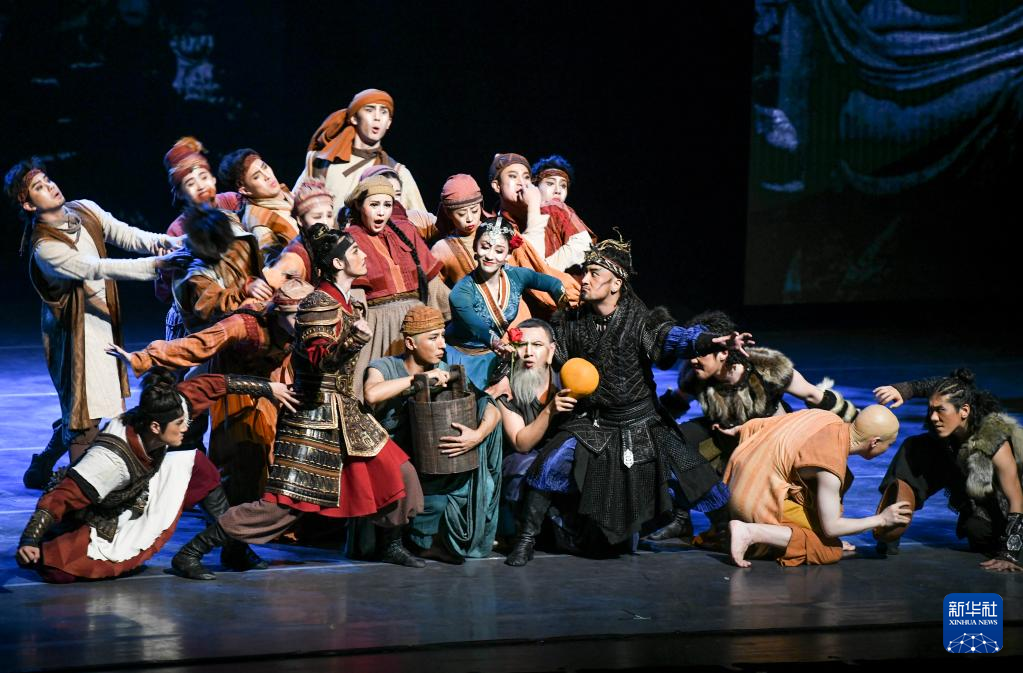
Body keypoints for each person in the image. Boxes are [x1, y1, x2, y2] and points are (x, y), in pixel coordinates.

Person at [169, 226, 427, 578]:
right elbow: (319, 359)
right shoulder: (318, 305)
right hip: (314, 418)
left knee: (400, 472)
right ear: (338, 263)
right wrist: (352, 341)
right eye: (355, 251)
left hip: (346, 415)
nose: (364, 255)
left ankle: (390, 544)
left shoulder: (345, 302)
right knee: (283, 507)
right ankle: (192, 552)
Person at [505, 238, 748, 566]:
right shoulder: (572, 323)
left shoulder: (640, 322)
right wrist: (514, 354)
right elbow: (549, 349)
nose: (584, 280)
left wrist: (706, 341)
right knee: (548, 465)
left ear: (616, 283)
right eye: (585, 272)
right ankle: (525, 539)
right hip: (593, 421)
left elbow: (671, 337)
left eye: (594, 273)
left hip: (642, 421)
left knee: (694, 475)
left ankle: (733, 535)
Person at [16, 369, 296, 583]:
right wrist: (29, 539)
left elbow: (211, 384)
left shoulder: (167, 405)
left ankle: (234, 548)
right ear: (154, 427)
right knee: (57, 570)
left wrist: (267, 388)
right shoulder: (109, 459)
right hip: (103, 511)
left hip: (137, 486)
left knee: (197, 465)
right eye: (179, 424)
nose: (185, 428)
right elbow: (59, 498)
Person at [4, 158, 185, 488]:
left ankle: (43, 463)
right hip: (74, 337)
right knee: (84, 416)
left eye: (47, 180)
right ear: (28, 204)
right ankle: (78, 497)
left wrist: (168, 242)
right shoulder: (45, 248)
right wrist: (158, 265)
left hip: (103, 321)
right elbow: (96, 267)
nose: (50, 187)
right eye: (39, 187)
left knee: (96, 407)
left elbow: (126, 235)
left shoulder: (84, 209)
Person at [652, 310, 857, 543]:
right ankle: (682, 518)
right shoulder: (696, 376)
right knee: (669, 439)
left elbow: (814, 395)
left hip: (771, 446)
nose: (692, 360)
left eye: (700, 353)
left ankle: (729, 517)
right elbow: (673, 405)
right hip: (726, 442)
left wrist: (857, 428)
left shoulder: (766, 370)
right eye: (692, 353)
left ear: (723, 353)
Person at [106, 280, 315, 505]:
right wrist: (142, 357)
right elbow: (198, 344)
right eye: (295, 317)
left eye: (306, 317)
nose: (302, 323)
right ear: (279, 312)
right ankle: (234, 508)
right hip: (236, 379)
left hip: (275, 374)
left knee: (277, 438)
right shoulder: (243, 324)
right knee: (239, 444)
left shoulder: (306, 325)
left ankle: (272, 501)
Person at [363, 306, 503, 562]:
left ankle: (427, 543)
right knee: (413, 486)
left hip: (429, 459)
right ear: (410, 343)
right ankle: (397, 543)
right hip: (388, 454)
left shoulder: (445, 369)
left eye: (443, 336)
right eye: (433, 337)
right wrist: (420, 380)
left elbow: (489, 406)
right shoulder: (385, 366)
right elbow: (372, 394)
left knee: (461, 490)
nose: (442, 344)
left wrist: (478, 435)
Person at [872, 369, 1022, 572]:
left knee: (978, 532)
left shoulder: (995, 441)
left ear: (964, 411)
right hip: (960, 470)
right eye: (931, 410)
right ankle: (892, 524)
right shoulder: (950, 423)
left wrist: (1010, 553)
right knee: (915, 447)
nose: (934, 417)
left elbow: (1016, 499)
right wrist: (903, 390)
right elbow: (937, 385)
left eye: (941, 410)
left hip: (1001, 504)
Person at [723, 406, 908, 567]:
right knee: (828, 549)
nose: (887, 449)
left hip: (736, 481)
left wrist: (740, 429)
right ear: (874, 442)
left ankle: (752, 528)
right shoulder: (830, 464)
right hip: (754, 498)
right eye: (889, 444)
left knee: (826, 525)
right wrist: (881, 520)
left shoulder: (826, 417)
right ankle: (751, 532)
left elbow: (770, 422)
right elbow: (832, 528)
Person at [342, 175, 449, 398]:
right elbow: (354, 290)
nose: (381, 212)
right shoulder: (351, 238)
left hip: (416, 319)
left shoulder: (405, 231)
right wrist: (358, 322)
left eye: (387, 205)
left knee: (427, 388)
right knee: (378, 387)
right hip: (380, 322)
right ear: (360, 206)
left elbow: (431, 281)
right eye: (374, 205)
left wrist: (457, 309)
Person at [431, 173, 579, 318]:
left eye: (474, 210)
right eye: (461, 214)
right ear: (448, 213)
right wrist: (459, 309)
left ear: (481, 206)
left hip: (518, 315)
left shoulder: (501, 229)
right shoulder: (443, 249)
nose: (470, 218)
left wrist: (567, 291)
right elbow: (432, 290)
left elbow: (533, 264)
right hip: (478, 322)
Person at [445, 216, 567, 390]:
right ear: (475, 247)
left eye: (499, 250)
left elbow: (555, 284)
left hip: (494, 354)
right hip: (462, 358)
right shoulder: (461, 291)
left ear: (509, 254)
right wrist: (497, 343)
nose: (490, 255)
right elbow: (476, 325)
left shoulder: (516, 276)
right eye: (485, 247)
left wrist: (564, 313)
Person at [493, 319, 576, 539]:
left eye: (537, 345)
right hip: (524, 457)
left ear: (551, 351)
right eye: (522, 345)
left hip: (561, 455)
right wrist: (550, 410)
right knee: (522, 464)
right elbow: (520, 443)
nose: (529, 352)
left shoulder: (565, 380)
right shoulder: (507, 388)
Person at [156, 136, 243, 340]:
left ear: (213, 179)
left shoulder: (233, 202)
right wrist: (165, 268)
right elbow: (164, 293)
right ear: (180, 193)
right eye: (190, 183)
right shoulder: (177, 231)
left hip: (243, 296)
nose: (201, 186)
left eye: (204, 177)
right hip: (203, 312)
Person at [296, 88, 427, 219]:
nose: (377, 117)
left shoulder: (397, 172)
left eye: (383, 112)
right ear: (354, 118)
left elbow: (421, 222)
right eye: (369, 110)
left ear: (389, 122)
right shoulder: (322, 162)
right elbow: (294, 207)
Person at [490, 153, 593, 273]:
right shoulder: (494, 227)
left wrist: (545, 268)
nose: (522, 183)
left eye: (526, 177)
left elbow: (583, 245)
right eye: (513, 176)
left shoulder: (556, 209)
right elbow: (520, 268)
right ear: (497, 186)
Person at [218, 148, 298, 262]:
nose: (267, 176)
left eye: (264, 167)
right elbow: (276, 266)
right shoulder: (259, 224)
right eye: (256, 176)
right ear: (245, 190)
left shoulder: (284, 193)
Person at [261, 179, 336, 288]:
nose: (325, 223)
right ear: (300, 220)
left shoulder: (327, 243)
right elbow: (267, 287)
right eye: (317, 217)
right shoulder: (294, 257)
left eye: (329, 216)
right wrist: (253, 286)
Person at [530, 154, 592, 240]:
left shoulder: (569, 217)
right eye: (550, 183)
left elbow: (583, 243)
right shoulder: (521, 217)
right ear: (536, 186)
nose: (558, 191)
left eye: (563, 186)